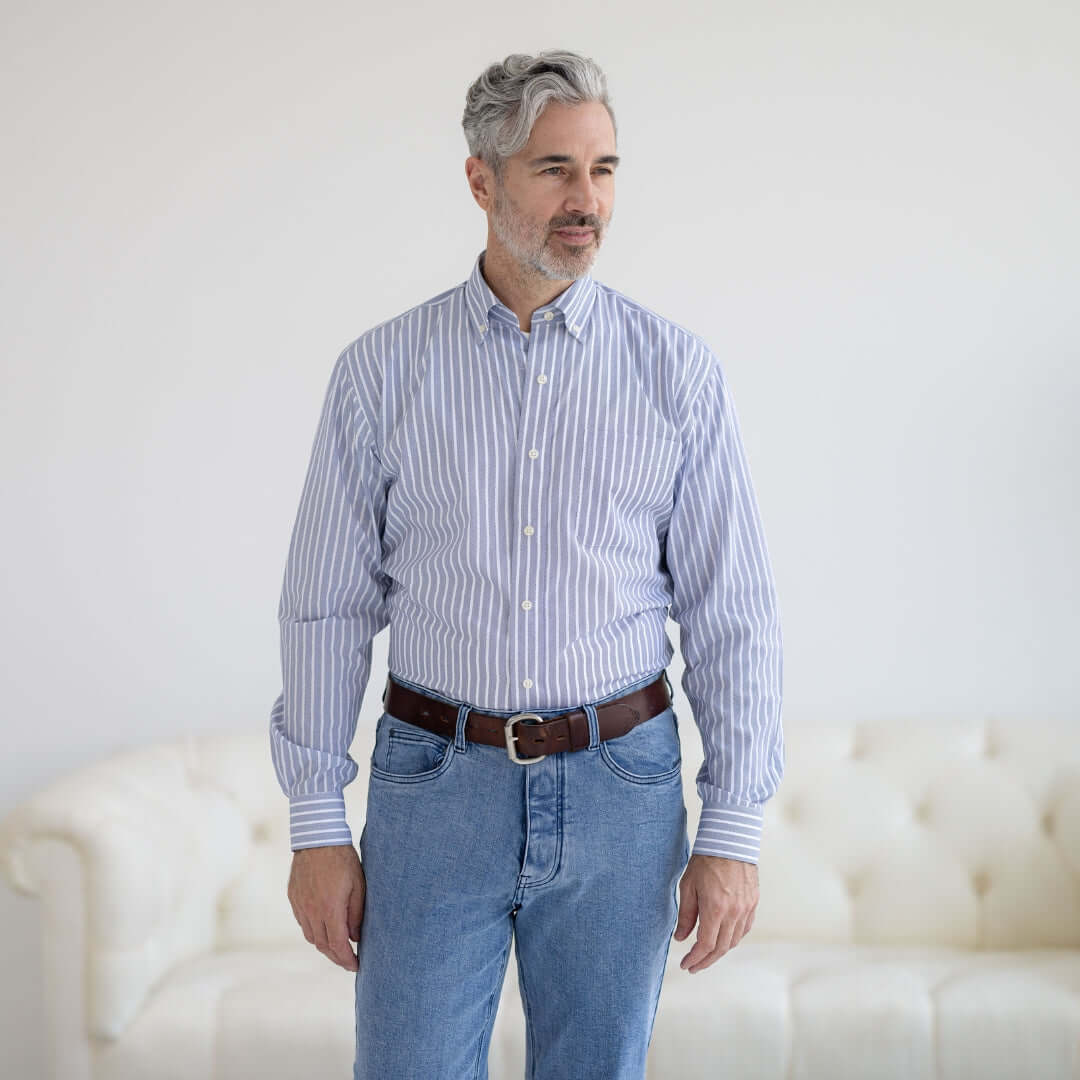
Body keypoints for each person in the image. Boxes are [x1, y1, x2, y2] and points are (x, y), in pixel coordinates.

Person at [268, 48, 784, 1080]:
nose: (586, 200)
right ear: (481, 179)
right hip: (434, 788)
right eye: (555, 169)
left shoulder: (677, 373)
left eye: (603, 169)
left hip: (622, 790)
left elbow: (732, 614)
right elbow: (326, 608)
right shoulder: (381, 373)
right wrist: (316, 824)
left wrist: (733, 828)